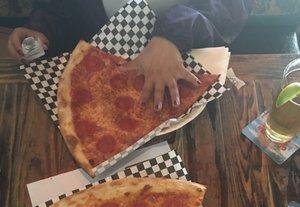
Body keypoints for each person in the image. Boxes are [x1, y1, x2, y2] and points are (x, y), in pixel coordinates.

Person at [8, 0, 253, 109]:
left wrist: (170, 36)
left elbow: (231, 6)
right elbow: (59, 9)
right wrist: (39, 30)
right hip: (100, 82)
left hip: (189, 71)